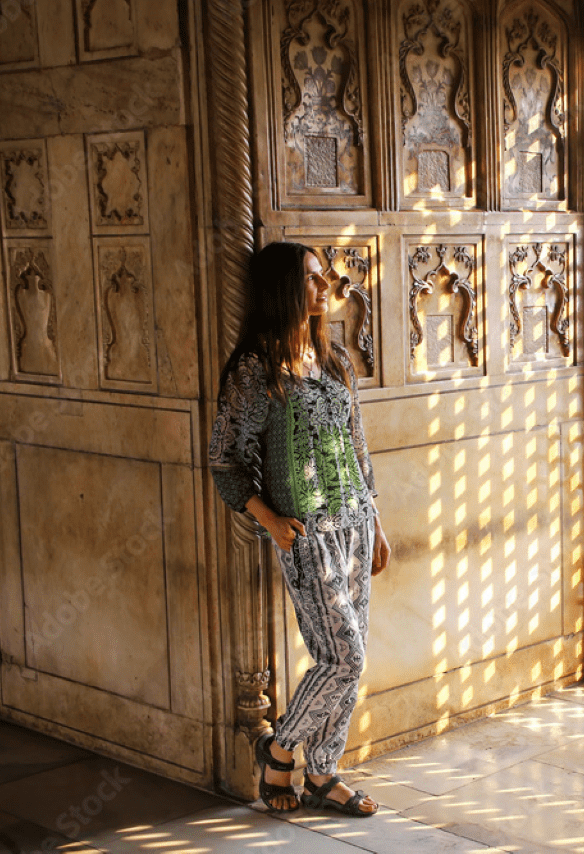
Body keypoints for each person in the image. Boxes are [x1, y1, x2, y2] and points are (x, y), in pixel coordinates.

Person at [209, 241, 390, 816]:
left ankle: (323, 773)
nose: (323, 286)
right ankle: (279, 750)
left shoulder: (333, 361)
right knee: (344, 658)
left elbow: (358, 448)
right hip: (305, 533)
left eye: (321, 277)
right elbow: (224, 460)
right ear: (283, 288)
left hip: (355, 523)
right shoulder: (254, 370)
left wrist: (376, 520)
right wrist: (270, 521)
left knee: (348, 658)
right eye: (311, 277)